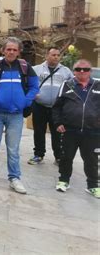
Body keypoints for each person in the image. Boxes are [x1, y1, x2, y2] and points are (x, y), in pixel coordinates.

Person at [0, 37, 39, 194]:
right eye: (8, 49)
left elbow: (34, 86)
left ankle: (14, 178)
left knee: (13, 149)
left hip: (16, 115)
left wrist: (26, 101)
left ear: (19, 51)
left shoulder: (25, 67)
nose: (11, 52)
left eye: (14, 49)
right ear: (3, 50)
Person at [52, 59, 100, 198]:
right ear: (74, 71)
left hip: (93, 131)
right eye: (78, 69)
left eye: (85, 69)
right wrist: (58, 123)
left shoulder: (98, 85)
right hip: (70, 130)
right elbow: (57, 107)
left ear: (90, 71)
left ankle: (93, 185)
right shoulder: (67, 85)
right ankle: (63, 181)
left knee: (92, 160)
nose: (82, 72)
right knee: (66, 157)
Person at [28, 47, 73, 165]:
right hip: (39, 106)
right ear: (46, 55)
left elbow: (72, 87)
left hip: (57, 108)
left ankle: (58, 157)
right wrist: (34, 94)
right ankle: (38, 154)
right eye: (53, 55)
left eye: (58, 55)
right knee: (39, 131)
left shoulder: (66, 71)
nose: (56, 57)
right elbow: (27, 84)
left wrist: (66, 99)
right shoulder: (36, 69)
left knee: (57, 132)